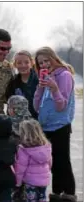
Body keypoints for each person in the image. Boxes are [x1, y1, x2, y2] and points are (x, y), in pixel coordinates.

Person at [33, 47, 76, 202]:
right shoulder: (47, 77)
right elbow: (37, 106)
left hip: (60, 125)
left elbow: (61, 106)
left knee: (63, 160)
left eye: (46, 60)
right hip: (46, 125)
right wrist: (40, 88)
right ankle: (57, 193)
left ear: (54, 58)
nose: (44, 64)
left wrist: (54, 88)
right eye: (40, 63)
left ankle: (69, 193)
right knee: (52, 162)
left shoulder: (64, 76)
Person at [15, 119, 52, 202]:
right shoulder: (46, 146)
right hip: (44, 180)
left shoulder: (24, 148)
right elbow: (50, 162)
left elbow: (21, 168)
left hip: (30, 181)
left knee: (31, 199)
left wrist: (18, 182)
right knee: (42, 198)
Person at [5, 50, 39, 119]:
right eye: (19, 63)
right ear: (15, 65)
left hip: (38, 120)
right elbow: (9, 101)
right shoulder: (13, 82)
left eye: (26, 62)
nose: (23, 65)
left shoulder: (39, 80)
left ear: (32, 63)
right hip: (20, 122)